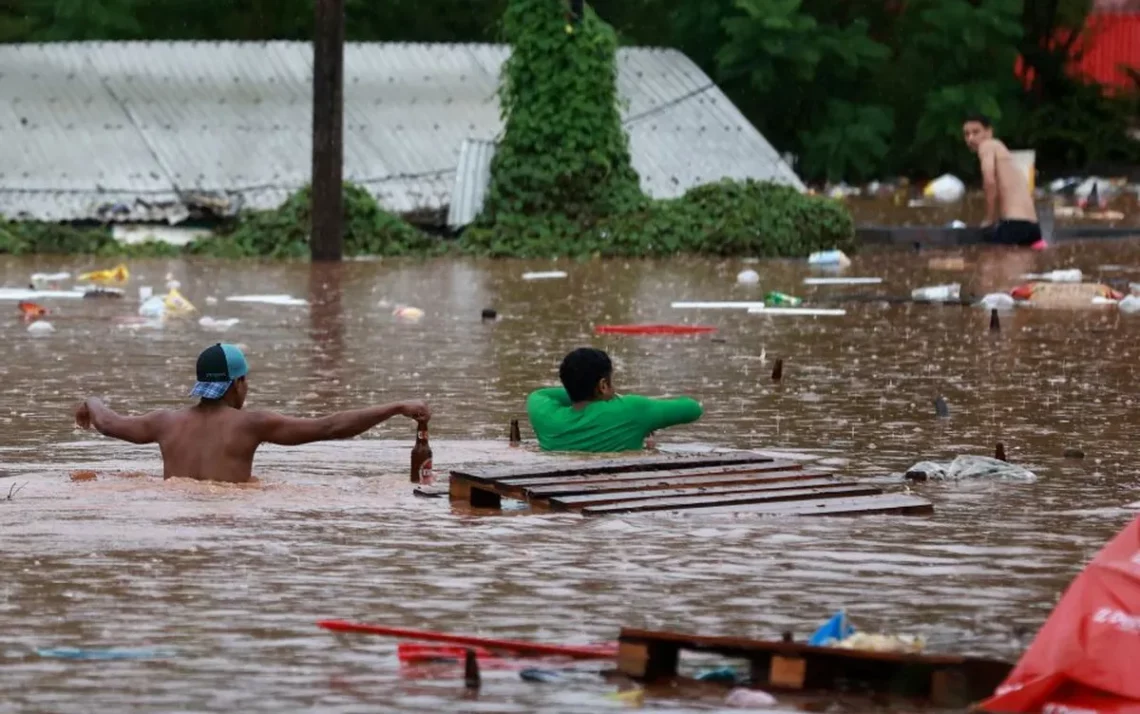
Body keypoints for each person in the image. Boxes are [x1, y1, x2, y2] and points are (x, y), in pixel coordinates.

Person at [73, 342, 431, 483]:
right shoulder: (251, 423)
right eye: (245, 381)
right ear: (235, 385)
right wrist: (396, 406)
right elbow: (331, 427)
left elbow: (107, 423)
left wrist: (91, 401)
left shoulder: (165, 422)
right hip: (231, 517)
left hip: (175, 513)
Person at [526, 347, 703, 452]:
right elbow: (693, 408)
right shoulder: (631, 410)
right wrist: (617, 399)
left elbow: (540, 394)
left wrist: (576, 390)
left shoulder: (545, 416)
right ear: (603, 385)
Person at [962, 113, 1044, 248]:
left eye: (976, 132)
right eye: (966, 134)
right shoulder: (1004, 154)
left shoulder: (987, 146)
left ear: (989, 132)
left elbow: (989, 181)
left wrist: (989, 219)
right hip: (1033, 228)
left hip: (1014, 225)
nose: (971, 138)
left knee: (989, 264)